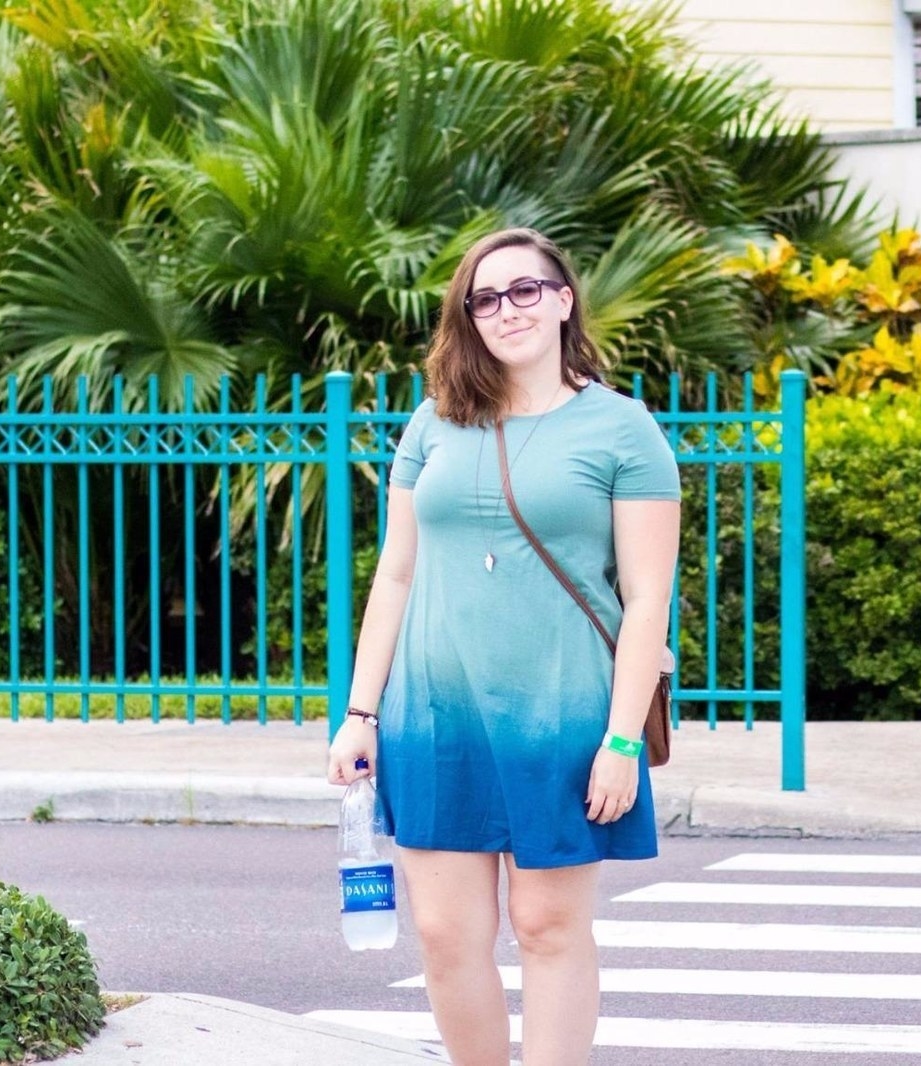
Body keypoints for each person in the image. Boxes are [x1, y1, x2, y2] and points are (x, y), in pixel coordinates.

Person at [326, 227, 681, 1066]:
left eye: (525, 290)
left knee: (547, 926)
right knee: (449, 936)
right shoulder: (434, 422)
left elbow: (646, 602)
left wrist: (623, 740)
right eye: (485, 298)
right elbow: (397, 577)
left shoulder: (624, 430)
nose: (505, 309)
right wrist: (358, 712)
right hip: (433, 711)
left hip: (564, 715)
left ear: (563, 300)